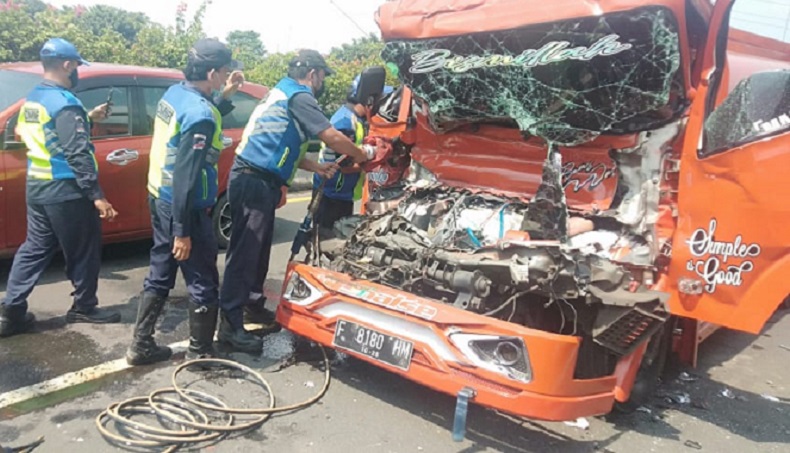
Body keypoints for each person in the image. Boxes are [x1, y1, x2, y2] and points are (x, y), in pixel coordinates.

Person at [219, 49, 375, 347]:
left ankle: (251, 305)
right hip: (253, 179)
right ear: (313, 74)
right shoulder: (299, 97)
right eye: (322, 76)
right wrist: (363, 153)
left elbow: (283, 143)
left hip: (257, 179)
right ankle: (230, 325)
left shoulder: (283, 91)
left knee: (258, 248)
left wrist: (315, 166)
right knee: (245, 252)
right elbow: (329, 135)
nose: (322, 82)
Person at [125, 38, 244, 365]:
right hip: (185, 207)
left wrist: (225, 96)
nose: (226, 74)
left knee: (161, 270)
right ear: (211, 71)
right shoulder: (199, 114)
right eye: (223, 71)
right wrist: (182, 231)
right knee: (203, 278)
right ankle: (201, 351)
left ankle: (141, 345)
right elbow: (186, 175)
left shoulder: (176, 93)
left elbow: (197, 115)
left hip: (160, 197)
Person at [0, 38, 121, 338]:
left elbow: (26, 131)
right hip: (66, 190)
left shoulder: (34, 99)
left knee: (34, 248)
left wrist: (86, 118)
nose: (78, 70)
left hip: (38, 186)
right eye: (77, 64)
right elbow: (77, 153)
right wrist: (97, 196)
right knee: (83, 250)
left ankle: (11, 310)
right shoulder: (65, 103)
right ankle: (84, 307)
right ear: (67, 64)